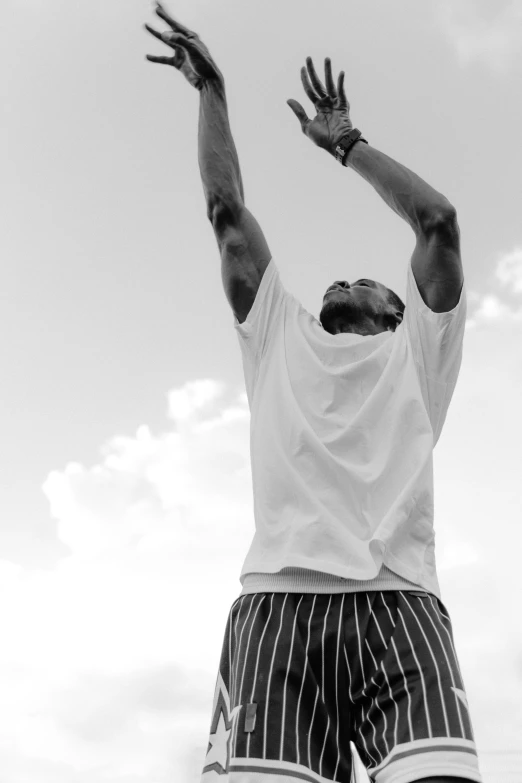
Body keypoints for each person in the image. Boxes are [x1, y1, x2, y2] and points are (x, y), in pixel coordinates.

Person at [145, 5, 483, 783]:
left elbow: (437, 222)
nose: (342, 279)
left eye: (364, 279)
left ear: (396, 309)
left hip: (399, 610)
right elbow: (228, 217)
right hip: (279, 615)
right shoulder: (277, 335)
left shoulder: (418, 353)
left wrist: (348, 146)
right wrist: (212, 96)